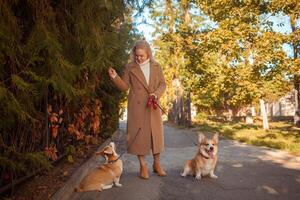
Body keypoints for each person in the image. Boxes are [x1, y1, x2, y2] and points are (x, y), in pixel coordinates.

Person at [108, 40, 167, 179]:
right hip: (137, 106)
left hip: (152, 104)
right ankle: (143, 166)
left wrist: (156, 94)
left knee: (155, 135)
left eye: (142, 56)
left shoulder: (157, 66)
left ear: (148, 53)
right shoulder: (130, 67)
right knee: (140, 136)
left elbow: (163, 84)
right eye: (136, 56)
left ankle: (157, 164)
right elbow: (124, 87)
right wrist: (114, 77)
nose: (139, 58)